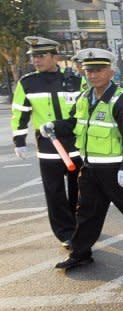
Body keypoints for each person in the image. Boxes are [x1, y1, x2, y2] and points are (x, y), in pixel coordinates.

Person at [52, 48, 123, 270]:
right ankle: (80, 253)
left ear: (110, 71)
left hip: (113, 170)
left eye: (98, 70)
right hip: (90, 168)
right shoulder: (85, 97)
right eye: (88, 71)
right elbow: (73, 123)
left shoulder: (121, 101)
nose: (92, 75)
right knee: (86, 212)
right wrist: (54, 126)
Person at [11, 36, 83, 249]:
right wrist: (19, 141)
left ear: (55, 56)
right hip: (48, 148)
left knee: (79, 190)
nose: (36, 60)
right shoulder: (28, 83)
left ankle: (79, 226)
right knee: (55, 193)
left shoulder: (75, 80)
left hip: (75, 145)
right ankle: (65, 233)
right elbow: (20, 113)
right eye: (34, 56)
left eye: (41, 55)